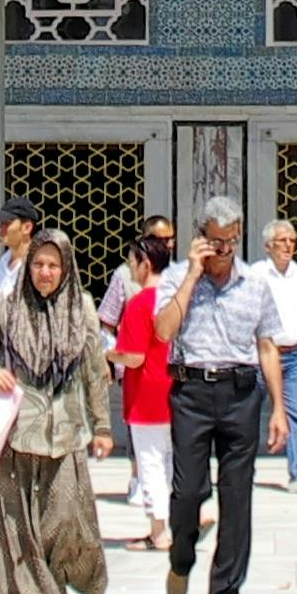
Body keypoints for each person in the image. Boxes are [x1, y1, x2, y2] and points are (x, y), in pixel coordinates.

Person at [0, 229, 114, 594]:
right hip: (15, 434)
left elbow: (93, 371)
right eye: (37, 264)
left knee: (63, 523)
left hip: (65, 434)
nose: (45, 273)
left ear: (66, 268)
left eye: (53, 265)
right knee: (16, 530)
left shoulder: (81, 308)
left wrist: (102, 426)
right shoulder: (3, 306)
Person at [155, 200, 286, 594]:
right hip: (191, 391)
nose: (225, 250)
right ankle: (181, 556)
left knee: (237, 493)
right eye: (217, 241)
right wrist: (193, 275)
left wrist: (279, 408)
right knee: (188, 490)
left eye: (231, 241)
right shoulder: (177, 276)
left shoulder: (255, 284)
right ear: (201, 236)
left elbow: (267, 345)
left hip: (240, 392)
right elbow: (163, 331)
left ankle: (226, 591)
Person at [110, 222, 180, 550]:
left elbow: (135, 357)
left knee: (150, 462)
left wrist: (109, 353)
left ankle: (159, 529)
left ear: (146, 264)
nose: (130, 269)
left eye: (132, 262)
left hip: (147, 394)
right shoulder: (178, 300)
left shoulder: (140, 303)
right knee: (169, 461)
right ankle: (173, 523)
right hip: (179, 392)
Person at [259, 220, 297, 494]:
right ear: (269, 245)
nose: (288, 246)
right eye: (282, 240)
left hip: (293, 354)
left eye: (292, 241)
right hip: (262, 354)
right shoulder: (257, 274)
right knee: (245, 414)